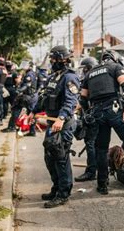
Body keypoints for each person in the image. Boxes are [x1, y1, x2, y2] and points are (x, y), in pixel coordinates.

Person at [80, 50, 124, 195]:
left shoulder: (90, 73)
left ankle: (102, 184)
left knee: (101, 149)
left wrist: (89, 113)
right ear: (115, 59)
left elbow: (82, 98)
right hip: (115, 109)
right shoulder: (115, 67)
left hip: (97, 113)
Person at [30, 45, 80, 208]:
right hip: (52, 122)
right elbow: (46, 97)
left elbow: (71, 101)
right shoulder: (54, 77)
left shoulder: (69, 77)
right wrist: (34, 112)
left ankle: (63, 193)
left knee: (60, 158)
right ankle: (56, 187)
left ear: (63, 60)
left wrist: (61, 118)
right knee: (49, 157)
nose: (51, 61)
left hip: (63, 123)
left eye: (54, 59)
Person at [74, 56, 99, 182]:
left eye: (84, 69)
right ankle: (99, 168)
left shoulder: (90, 79)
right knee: (99, 144)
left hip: (92, 116)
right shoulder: (98, 78)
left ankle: (91, 172)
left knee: (91, 144)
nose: (83, 71)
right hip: (97, 115)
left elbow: (84, 100)